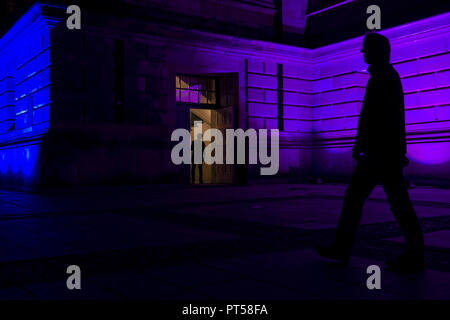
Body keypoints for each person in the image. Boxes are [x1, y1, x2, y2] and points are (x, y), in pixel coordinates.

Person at [317, 33, 425, 272]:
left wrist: (366, 145)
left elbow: (379, 118)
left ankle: (343, 247)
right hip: (382, 153)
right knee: (392, 203)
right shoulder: (383, 76)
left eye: (366, 50)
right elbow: (383, 117)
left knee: (364, 201)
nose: (363, 54)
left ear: (377, 51)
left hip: (380, 154)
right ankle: (413, 252)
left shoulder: (383, 77)